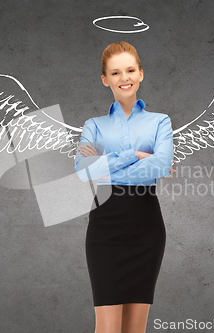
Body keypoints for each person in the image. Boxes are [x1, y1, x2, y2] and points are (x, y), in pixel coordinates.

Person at [75, 41, 174, 333]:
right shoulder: (93, 125)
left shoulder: (160, 122)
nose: (125, 78)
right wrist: (134, 156)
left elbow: (161, 166)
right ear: (105, 79)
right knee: (107, 329)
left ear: (141, 73)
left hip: (147, 227)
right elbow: (83, 172)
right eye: (115, 73)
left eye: (130, 70)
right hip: (105, 229)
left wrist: (107, 166)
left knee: (135, 329)